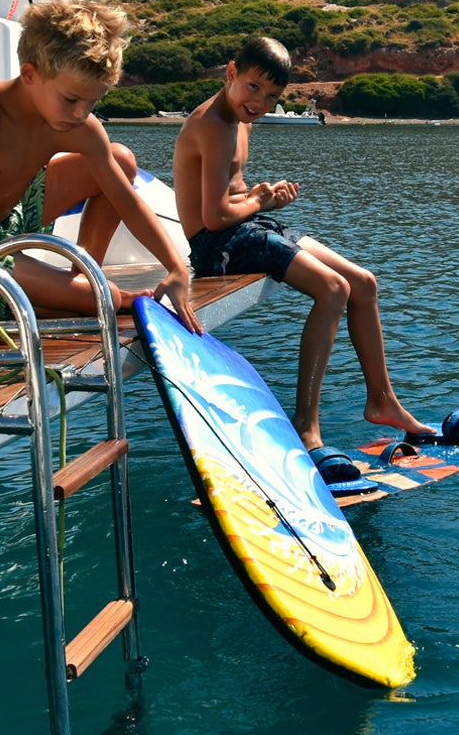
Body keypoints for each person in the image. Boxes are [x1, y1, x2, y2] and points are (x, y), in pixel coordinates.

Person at [173, 35, 431, 450]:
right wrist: (258, 199)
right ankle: (306, 424)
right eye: (253, 87)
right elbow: (213, 217)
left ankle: (382, 399)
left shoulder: (240, 118)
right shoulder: (215, 126)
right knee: (333, 290)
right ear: (232, 72)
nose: (259, 102)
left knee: (363, 284)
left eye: (272, 96)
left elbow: (230, 197)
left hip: (245, 229)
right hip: (215, 245)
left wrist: (265, 198)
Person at [0, 0, 201, 334]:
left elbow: (124, 198)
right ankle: (96, 296)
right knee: (106, 298)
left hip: (16, 215)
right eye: (71, 100)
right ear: (30, 74)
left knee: (121, 160)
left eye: (93, 101)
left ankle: (81, 275)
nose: (82, 114)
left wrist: (175, 267)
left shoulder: (78, 123)